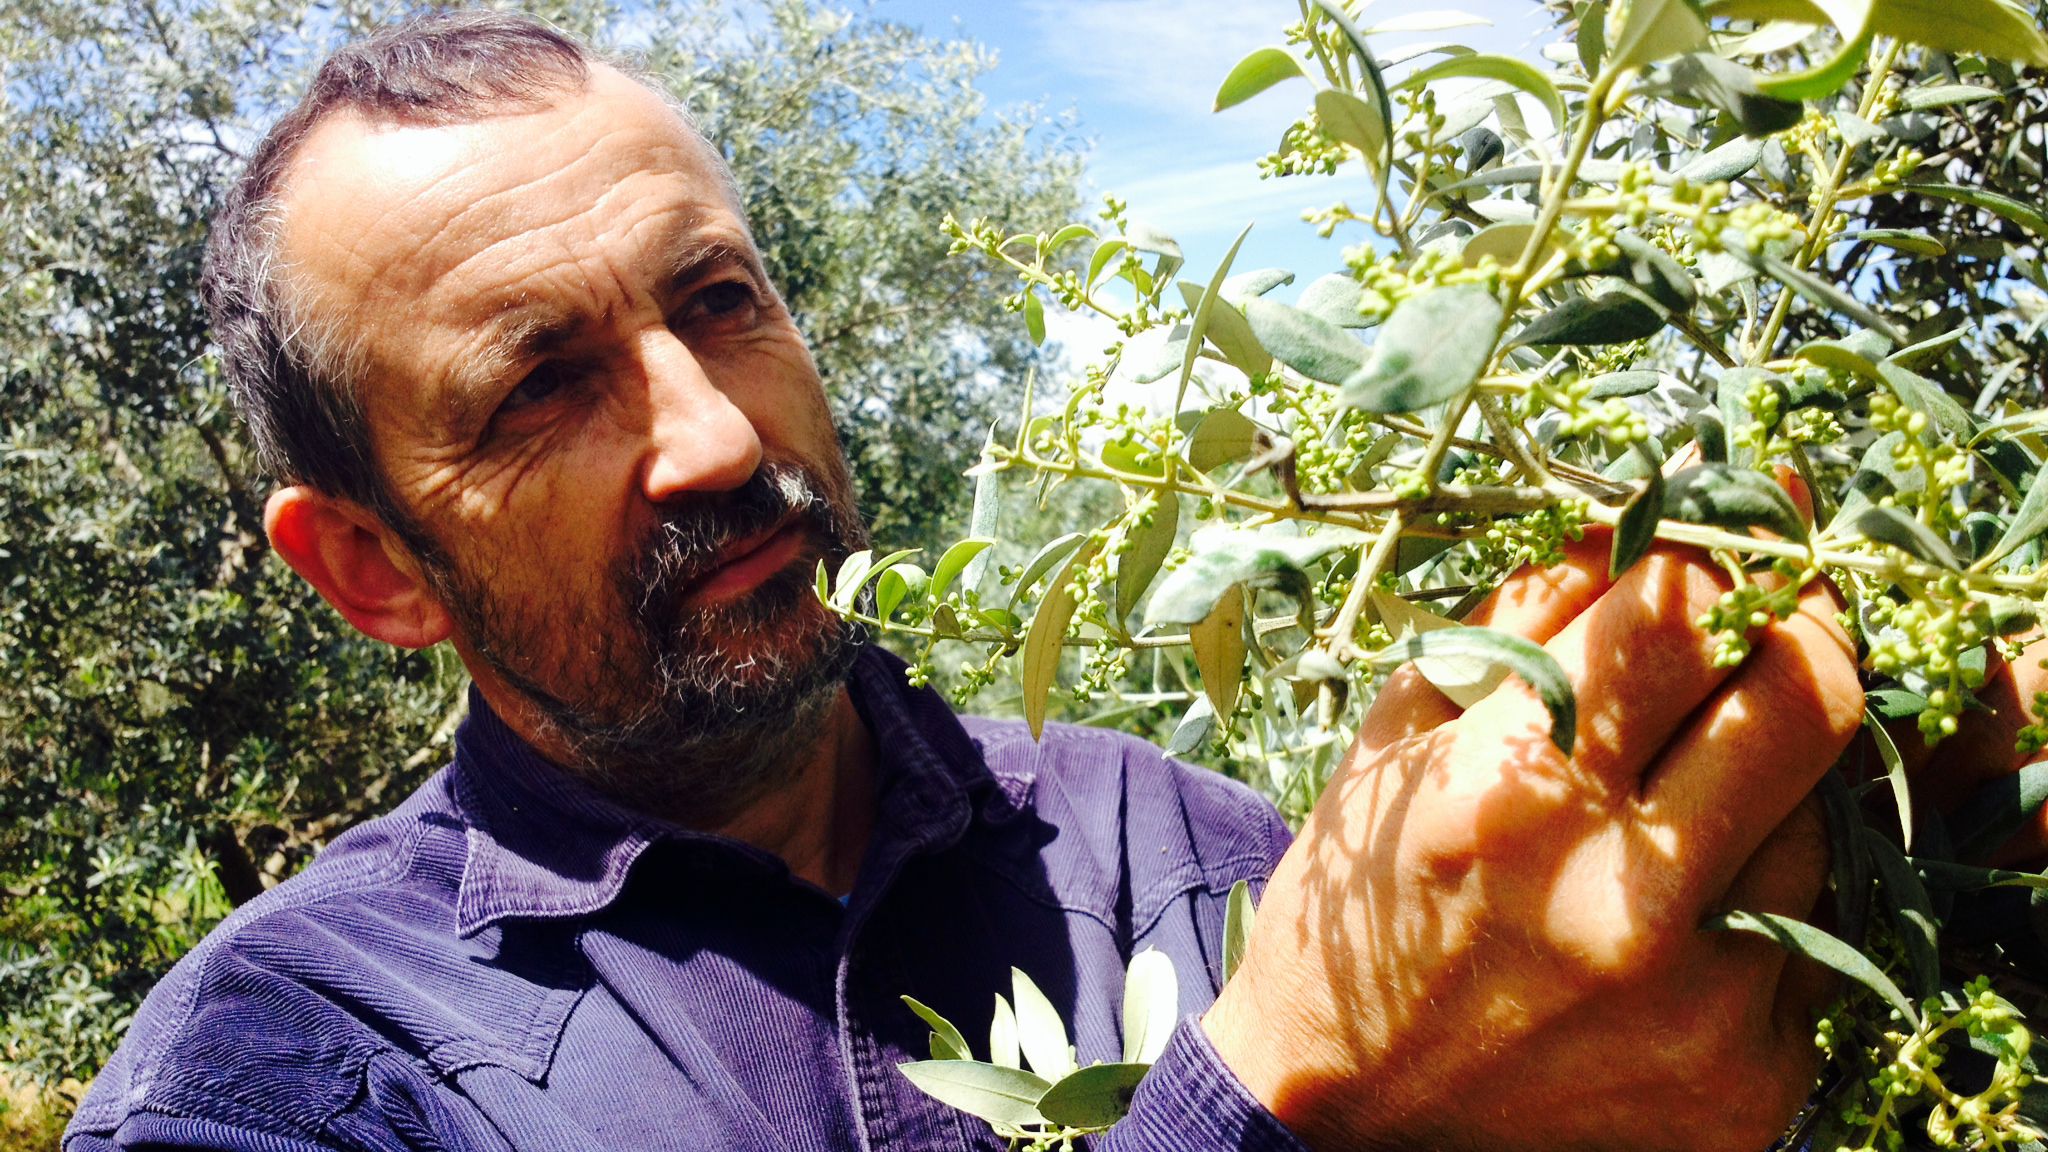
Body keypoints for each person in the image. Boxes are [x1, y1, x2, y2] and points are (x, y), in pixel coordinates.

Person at [60, 12, 2047, 1152]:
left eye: (718, 303)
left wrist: (1865, 848)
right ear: (373, 572)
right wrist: (1279, 1100)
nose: (710, 436)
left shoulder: (1166, 834)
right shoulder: (295, 1074)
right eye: (538, 386)